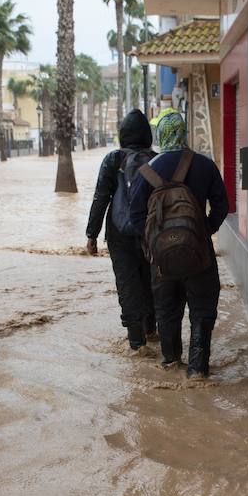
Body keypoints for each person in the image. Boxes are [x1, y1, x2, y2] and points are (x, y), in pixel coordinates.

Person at [126, 111, 229, 379]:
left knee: (167, 312)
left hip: (162, 262)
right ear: (185, 134)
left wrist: (154, 245)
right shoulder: (205, 166)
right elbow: (222, 206)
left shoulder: (147, 172)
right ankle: (197, 370)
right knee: (202, 311)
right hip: (200, 257)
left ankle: (170, 363)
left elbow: (135, 216)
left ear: (160, 135)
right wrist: (203, 232)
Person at [86, 110, 156, 349]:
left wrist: (91, 235)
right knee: (151, 282)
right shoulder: (157, 160)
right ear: (147, 134)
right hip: (150, 233)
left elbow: (100, 197)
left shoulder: (113, 159)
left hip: (119, 235)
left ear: (122, 135)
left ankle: (137, 346)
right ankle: (153, 332)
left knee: (127, 285)